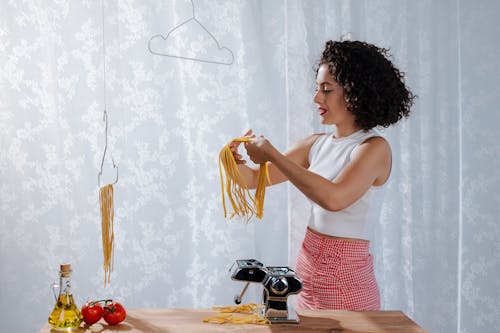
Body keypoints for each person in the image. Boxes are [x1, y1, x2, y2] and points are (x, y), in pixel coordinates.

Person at [230, 40, 415, 310]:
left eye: (326, 90)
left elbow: (335, 198)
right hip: (308, 271)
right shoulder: (315, 144)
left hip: (347, 280)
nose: (316, 98)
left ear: (355, 93)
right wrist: (231, 158)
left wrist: (272, 154)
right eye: (317, 89)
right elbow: (251, 180)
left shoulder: (373, 148)